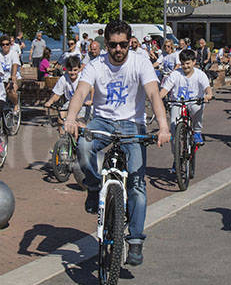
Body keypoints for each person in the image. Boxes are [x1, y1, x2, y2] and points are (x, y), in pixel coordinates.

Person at [64, 20, 168, 267]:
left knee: (137, 184)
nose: (118, 49)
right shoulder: (96, 64)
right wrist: (70, 118)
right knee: (83, 148)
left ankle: (135, 240)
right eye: (113, 45)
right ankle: (92, 185)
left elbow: (153, 93)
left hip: (133, 125)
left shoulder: (140, 62)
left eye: (123, 45)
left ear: (130, 43)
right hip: (103, 122)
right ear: (106, 45)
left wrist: (163, 126)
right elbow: (81, 92)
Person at [160, 49, 213, 168]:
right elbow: (165, 90)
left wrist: (208, 95)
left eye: (188, 63)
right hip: (177, 103)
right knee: (174, 130)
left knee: (197, 108)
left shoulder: (200, 74)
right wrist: (158, 98)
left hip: (194, 101)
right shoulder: (175, 74)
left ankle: (197, 132)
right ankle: (177, 159)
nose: (185, 66)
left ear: (194, 62)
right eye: (183, 63)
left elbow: (207, 88)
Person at [44, 55, 89, 122]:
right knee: (60, 118)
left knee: (78, 120)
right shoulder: (64, 78)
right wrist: (50, 102)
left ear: (79, 69)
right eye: (70, 70)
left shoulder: (83, 77)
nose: (72, 73)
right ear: (66, 69)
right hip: (70, 102)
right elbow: (57, 94)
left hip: (83, 103)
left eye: (75, 70)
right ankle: (62, 132)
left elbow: (92, 89)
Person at [0, 36, 21, 120]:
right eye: (3, 44)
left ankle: (15, 104)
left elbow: (15, 65)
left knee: (10, 90)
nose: (5, 46)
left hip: (14, 77)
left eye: (7, 44)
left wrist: (13, 78)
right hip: (1, 79)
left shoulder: (13, 53)